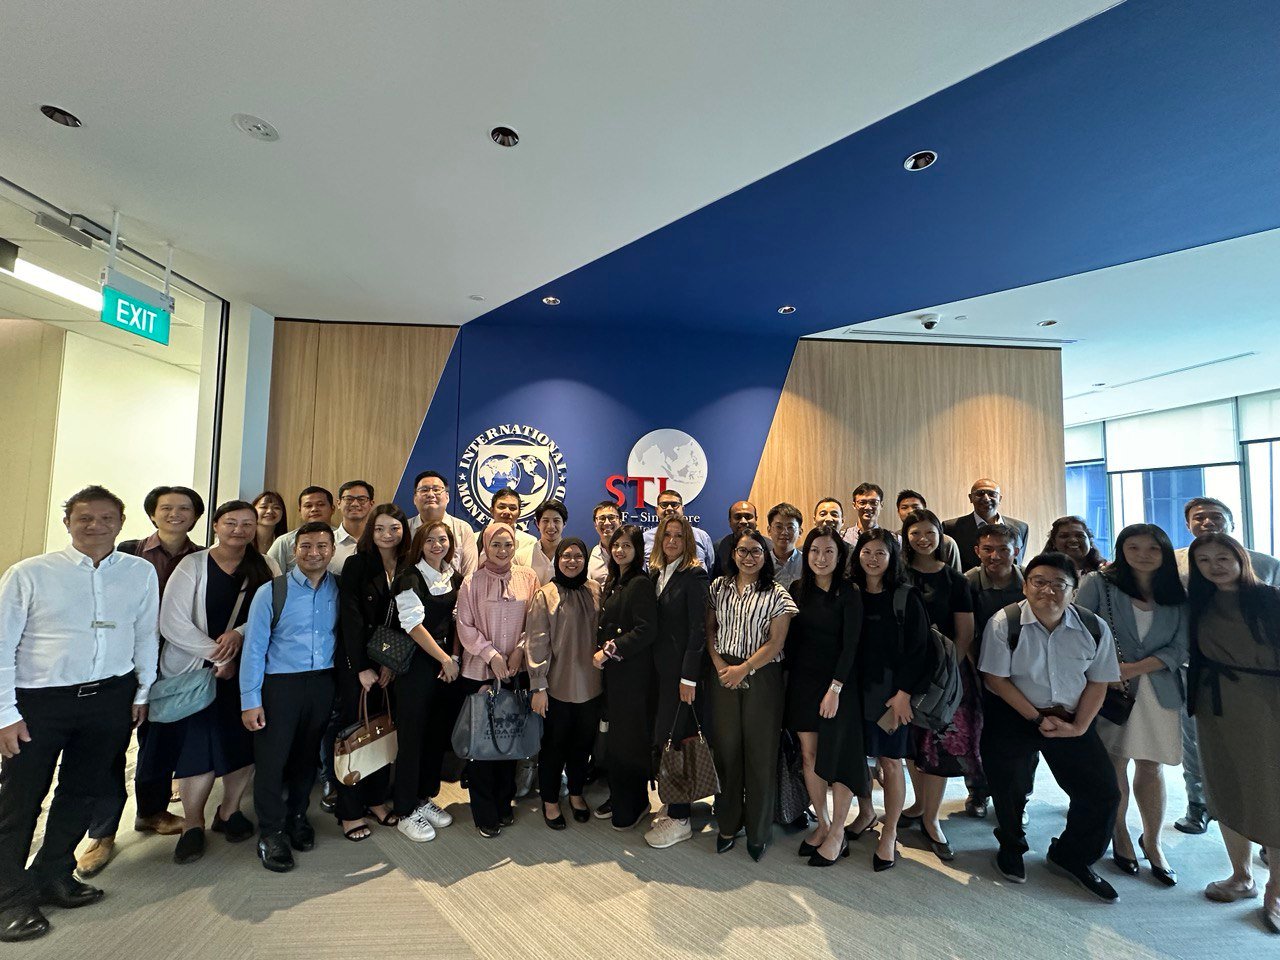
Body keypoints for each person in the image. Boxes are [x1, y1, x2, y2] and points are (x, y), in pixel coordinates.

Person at [0, 486, 158, 943]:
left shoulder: (139, 572)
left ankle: (53, 874)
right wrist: (5, 713)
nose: (96, 526)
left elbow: (145, 632)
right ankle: (8, 895)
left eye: (107, 518)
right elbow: (3, 644)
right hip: (40, 701)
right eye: (85, 517)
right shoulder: (30, 574)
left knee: (82, 791)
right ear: (67, 522)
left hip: (110, 697)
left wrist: (142, 689)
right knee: (20, 799)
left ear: (121, 523)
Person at [978, 552, 1122, 902]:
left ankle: (1072, 856)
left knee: (1102, 791)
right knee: (1008, 786)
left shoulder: (1092, 627)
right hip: (1016, 714)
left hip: (1072, 717)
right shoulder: (1005, 622)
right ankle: (1011, 846)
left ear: (1074, 591)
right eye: (1039, 582)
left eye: (1059, 584)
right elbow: (995, 679)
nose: (1048, 590)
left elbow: (1099, 681)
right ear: (1025, 586)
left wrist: (1080, 726)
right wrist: (1037, 718)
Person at [79, 484, 204, 876]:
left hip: (174, 662)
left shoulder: (201, 558)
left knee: (160, 741)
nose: (175, 514)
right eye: (166, 508)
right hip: (121, 662)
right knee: (110, 746)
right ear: (152, 513)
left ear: (195, 517)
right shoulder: (127, 552)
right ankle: (102, 832)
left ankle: (150, 811)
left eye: (184, 508)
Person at [142, 500, 272, 865]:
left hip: (247, 671)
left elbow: (272, 613)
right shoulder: (193, 564)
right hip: (197, 671)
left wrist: (239, 635)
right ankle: (193, 822)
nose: (239, 530)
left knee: (243, 743)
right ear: (215, 525)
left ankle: (229, 811)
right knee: (197, 749)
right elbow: (172, 622)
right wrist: (219, 656)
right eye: (231, 522)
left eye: (247, 524)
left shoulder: (266, 565)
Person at [1075, 524, 1187, 887]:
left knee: (1152, 766)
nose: (1143, 554)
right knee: (1114, 763)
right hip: (1110, 690)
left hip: (1158, 690)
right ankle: (1119, 833)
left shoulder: (1177, 592)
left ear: (1164, 552)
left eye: (1152, 548)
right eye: (1133, 547)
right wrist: (1106, 670)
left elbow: (1182, 646)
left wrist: (1133, 668)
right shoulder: (1099, 583)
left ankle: (1152, 841)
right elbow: (1078, 629)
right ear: (1121, 550)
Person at [1186, 534, 1280, 932]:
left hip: (1268, 705)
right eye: (1204, 560)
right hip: (1216, 707)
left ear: (1240, 557)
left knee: (1270, 792)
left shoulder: (1270, 598)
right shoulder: (1198, 602)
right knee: (1225, 786)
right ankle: (1241, 875)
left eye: (1223, 557)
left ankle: (1276, 888)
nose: (1215, 566)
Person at [1172, 496, 1280, 835]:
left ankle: (1268, 830)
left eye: (1215, 516)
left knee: (1267, 757)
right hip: (1201, 673)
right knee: (1200, 749)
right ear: (1188, 524)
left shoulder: (1267, 564)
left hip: (1261, 681)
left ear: (1231, 523)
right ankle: (1199, 804)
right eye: (1199, 517)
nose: (1207, 522)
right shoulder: (1173, 562)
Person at [240, 522, 339, 872]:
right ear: (294, 551)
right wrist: (250, 700)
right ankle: (271, 831)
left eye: (322, 546)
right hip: (280, 685)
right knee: (272, 760)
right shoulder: (272, 591)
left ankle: (298, 815)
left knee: (306, 757)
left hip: (322, 683)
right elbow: (254, 648)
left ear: (332, 550)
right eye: (306, 546)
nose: (314, 553)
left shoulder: (339, 588)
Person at [706, 528, 798, 861]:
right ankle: (728, 824)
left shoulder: (777, 593)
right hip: (723, 674)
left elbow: (776, 642)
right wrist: (720, 664)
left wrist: (743, 668)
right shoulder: (718, 587)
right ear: (733, 554)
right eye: (742, 551)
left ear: (765, 556)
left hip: (762, 676)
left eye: (756, 551)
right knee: (727, 752)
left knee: (760, 755)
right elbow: (710, 630)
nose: (748, 557)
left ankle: (758, 832)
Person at [848, 529, 930, 872]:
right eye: (867, 551)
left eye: (880, 553)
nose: (872, 559)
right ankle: (866, 811)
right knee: (857, 758)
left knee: (891, 762)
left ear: (892, 557)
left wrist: (904, 694)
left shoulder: (905, 597)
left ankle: (890, 830)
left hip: (891, 695)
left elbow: (920, 650)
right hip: (853, 691)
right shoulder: (850, 592)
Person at [899, 509, 976, 862]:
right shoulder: (898, 574)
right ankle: (918, 804)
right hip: (905, 674)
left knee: (938, 747)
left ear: (940, 536)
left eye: (929, 532)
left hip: (943, 678)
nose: (923, 539)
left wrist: (944, 676)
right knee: (912, 744)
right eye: (915, 533)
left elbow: (965, 634)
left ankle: (931, 819)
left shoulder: (955, 580)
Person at [785, 529, 865, 867]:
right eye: (814, 550)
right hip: (803, 683)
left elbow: (852, 645)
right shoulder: (797, 589)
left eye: (828, 551)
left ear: (839, 555)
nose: (821, 558)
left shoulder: (849, 592)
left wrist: (835, 688)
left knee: (839, 757)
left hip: (839, 686)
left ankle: (839, 832)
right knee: (809, 755)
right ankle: (823, 822)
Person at [455, 523, 539, 837]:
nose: (502, 551)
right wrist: (491, 655)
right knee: (482, 747)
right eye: (496, 545)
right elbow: (465, 626)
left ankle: (504, 804)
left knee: (509, 739)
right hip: (479, 672)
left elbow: (536, 620)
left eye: (508, 545)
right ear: (485, 547)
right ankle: (484, 811)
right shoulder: (471, 581)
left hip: (517, 673)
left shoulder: (528, 577)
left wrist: (519, 651)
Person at [335, 505, 412, 841]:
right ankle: (350, 811)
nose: (386, 535)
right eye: (379, 528)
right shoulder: (357, 564)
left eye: (394, 528)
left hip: (391, 662)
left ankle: (377, 799)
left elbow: (410, 620)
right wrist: (361, 668)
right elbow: (350, 618)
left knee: (383, 729)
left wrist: (390, 664)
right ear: (371, 531)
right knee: (355, 734)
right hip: (358, 663)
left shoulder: (409, 565)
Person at [391, 519, 466, 837]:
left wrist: (455, 658)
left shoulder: (454, 576)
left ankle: (423, 797)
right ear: (420, 544)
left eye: (443, 539)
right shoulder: (409, 577)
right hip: (417, 665)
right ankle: (405, 809)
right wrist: (444, 659)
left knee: (436, 735)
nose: (438, 545)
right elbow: (412, 625)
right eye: (430, 540)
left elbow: (458, 620)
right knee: (411, 737)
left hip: (446, 665)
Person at [644, 514, 710, 849]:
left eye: (679, 536)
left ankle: (681, 817)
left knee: (677, 741)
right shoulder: (657, 572)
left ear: (688, 541)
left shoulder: (695, 575)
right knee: (663, 737)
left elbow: (699, 630)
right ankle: (673, 802)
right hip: (658, 672)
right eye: (667, 535)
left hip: (680, 675)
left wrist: (689, 677)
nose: (672, 541)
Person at [526, 538, 602, 829]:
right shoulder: (545, 595)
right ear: (557, 560)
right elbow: (536, 643)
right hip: (557, 686)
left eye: (578, 556)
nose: (572, 561)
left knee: (583, 744)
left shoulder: (594, 590)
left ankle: (577, 793)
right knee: (554, 746)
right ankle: (550, 799)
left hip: (591, 685)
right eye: (566, 556)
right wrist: (538, 687)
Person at [594, 525, 658, 830]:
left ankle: (635, 802)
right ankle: (621, 796)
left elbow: (646, 630)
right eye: (616, 545)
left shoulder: (640, 583)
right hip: (615, 675)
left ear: (637, 550)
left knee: (630, 741)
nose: (620, 550)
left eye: (627, 546)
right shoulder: (613, 580)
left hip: (633, 676)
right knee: (616, 741)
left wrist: (609, 650)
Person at [963, 523, 1025, 818]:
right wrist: (978, 670)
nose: (995, 556)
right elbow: (964, 631)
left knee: (1023, 737)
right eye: (987, 549)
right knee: (979, 734)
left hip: (1024, 671)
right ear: (977, 551)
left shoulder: (1028, 582)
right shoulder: (968, 581)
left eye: (1003, 549)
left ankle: (1019, 798)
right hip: (979, 668)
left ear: (1016, 550)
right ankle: (978, 791)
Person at [945, 478, 1031, 573]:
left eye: (992, 494)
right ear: (970, 498)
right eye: (980, 493)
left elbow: (1017, 563)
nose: (986, 498)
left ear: (1000, 499)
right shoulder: (951, 528)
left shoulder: (1021, 528)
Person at [407, 470, 478, 577]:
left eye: (436, 490)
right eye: (424, 490)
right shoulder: (405, 528)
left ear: (447, 497)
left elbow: (470, 574)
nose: (430, 494)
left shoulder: (462, 529)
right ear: (414, 498)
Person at [265, 487, 335, 575]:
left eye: (320, 504)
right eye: (308, 506)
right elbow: (272, 577)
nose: (314, 509)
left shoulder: (343, 539)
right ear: (300, 511)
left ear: (332, 509)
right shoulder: (284, 542)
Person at [641, 489, 716, 571]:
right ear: (657, 510)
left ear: (682, 509)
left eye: (674, 505)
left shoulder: (701, 536)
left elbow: (710, 568)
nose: (669, 508)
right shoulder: (645, 538)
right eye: (664, 505)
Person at [895, 490, 961, 570]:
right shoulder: (894, 540)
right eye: (904, 508)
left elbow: (956, 573)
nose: (910, 511)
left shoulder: (947, 542)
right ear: (898, 512)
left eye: (915, 507)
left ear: (924, 510)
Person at [330, 480, 375, 573]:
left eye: (361, 499)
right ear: (338, 503)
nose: (355, 504)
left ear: (371, 504)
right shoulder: (328, 542)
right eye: (349, 499)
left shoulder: (381, 541)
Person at [711, 500, 765, 579]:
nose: (743, 521)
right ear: (730, 521)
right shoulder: (718, 547)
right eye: (737, 517)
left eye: (748, 517)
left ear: (756, 519)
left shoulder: (769, 546)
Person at [519, 499, 567, 586]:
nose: (551, 526)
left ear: (564, 524)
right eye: (545, 521)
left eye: (556, 521)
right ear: (537, 524)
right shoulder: (522, 556)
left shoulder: (574, 557)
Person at [766, 502, 804, 590]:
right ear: (769, 530)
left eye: (790, 527)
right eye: (779, 527)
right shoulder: (761, 562)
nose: (784, 532)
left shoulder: (808, 562)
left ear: (800, 532)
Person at [488, 489, 538, 556]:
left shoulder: (529, 543)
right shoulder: (476, 539)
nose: (507, 512)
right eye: (502, 507)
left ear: (519, 513)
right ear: (492, 511)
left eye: (512, 508)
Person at [842, 483, 887, 548]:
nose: (868, 507)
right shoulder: (843, 537)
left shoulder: (891, 539)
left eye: (873, 502)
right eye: (862, 503)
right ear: (854, 505)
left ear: (881, 505)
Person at [588, 501, 623, 585]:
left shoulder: (631, 553)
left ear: (620, 522)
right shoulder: (589, 556)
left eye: (611, 517)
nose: (607, 523)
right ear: (595, 524)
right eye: (602, 518)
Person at [252, 491, 289, 556]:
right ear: (252, 511)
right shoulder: (243, 539)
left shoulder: (287, 543)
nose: (270, 511)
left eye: (276, 507)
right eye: (264, 507)